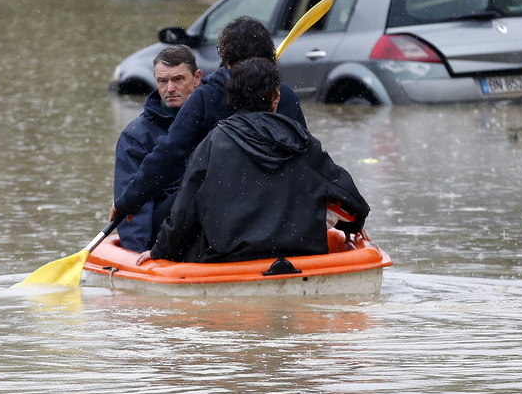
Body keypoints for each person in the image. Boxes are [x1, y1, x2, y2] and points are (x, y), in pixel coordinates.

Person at [135, 57, 369, 264]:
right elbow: (352, 200)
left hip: (228, 258)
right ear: (275, 96)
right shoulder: (303, 141)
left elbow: (183, 211)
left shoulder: (213, 142)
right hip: (299, 254)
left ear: (232, 98)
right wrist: (353, 225)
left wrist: (162, 251)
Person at [110, 16, 307, 233]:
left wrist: (128, 201)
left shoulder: (206, 97)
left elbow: (169, 155)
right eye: (163, 81)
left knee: (161, 216)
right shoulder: (286, 95)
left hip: (219, 210)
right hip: (278, 207)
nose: (170, 88)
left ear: (225, 56)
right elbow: (305, 156)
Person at [113, 45, 202, 252]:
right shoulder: (135, 136)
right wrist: (142, 252)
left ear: (197, 78)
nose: (169, 88)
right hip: (164, 231)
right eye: (163, 81)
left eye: (178, 79)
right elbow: (134, 210)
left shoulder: (214, 119)